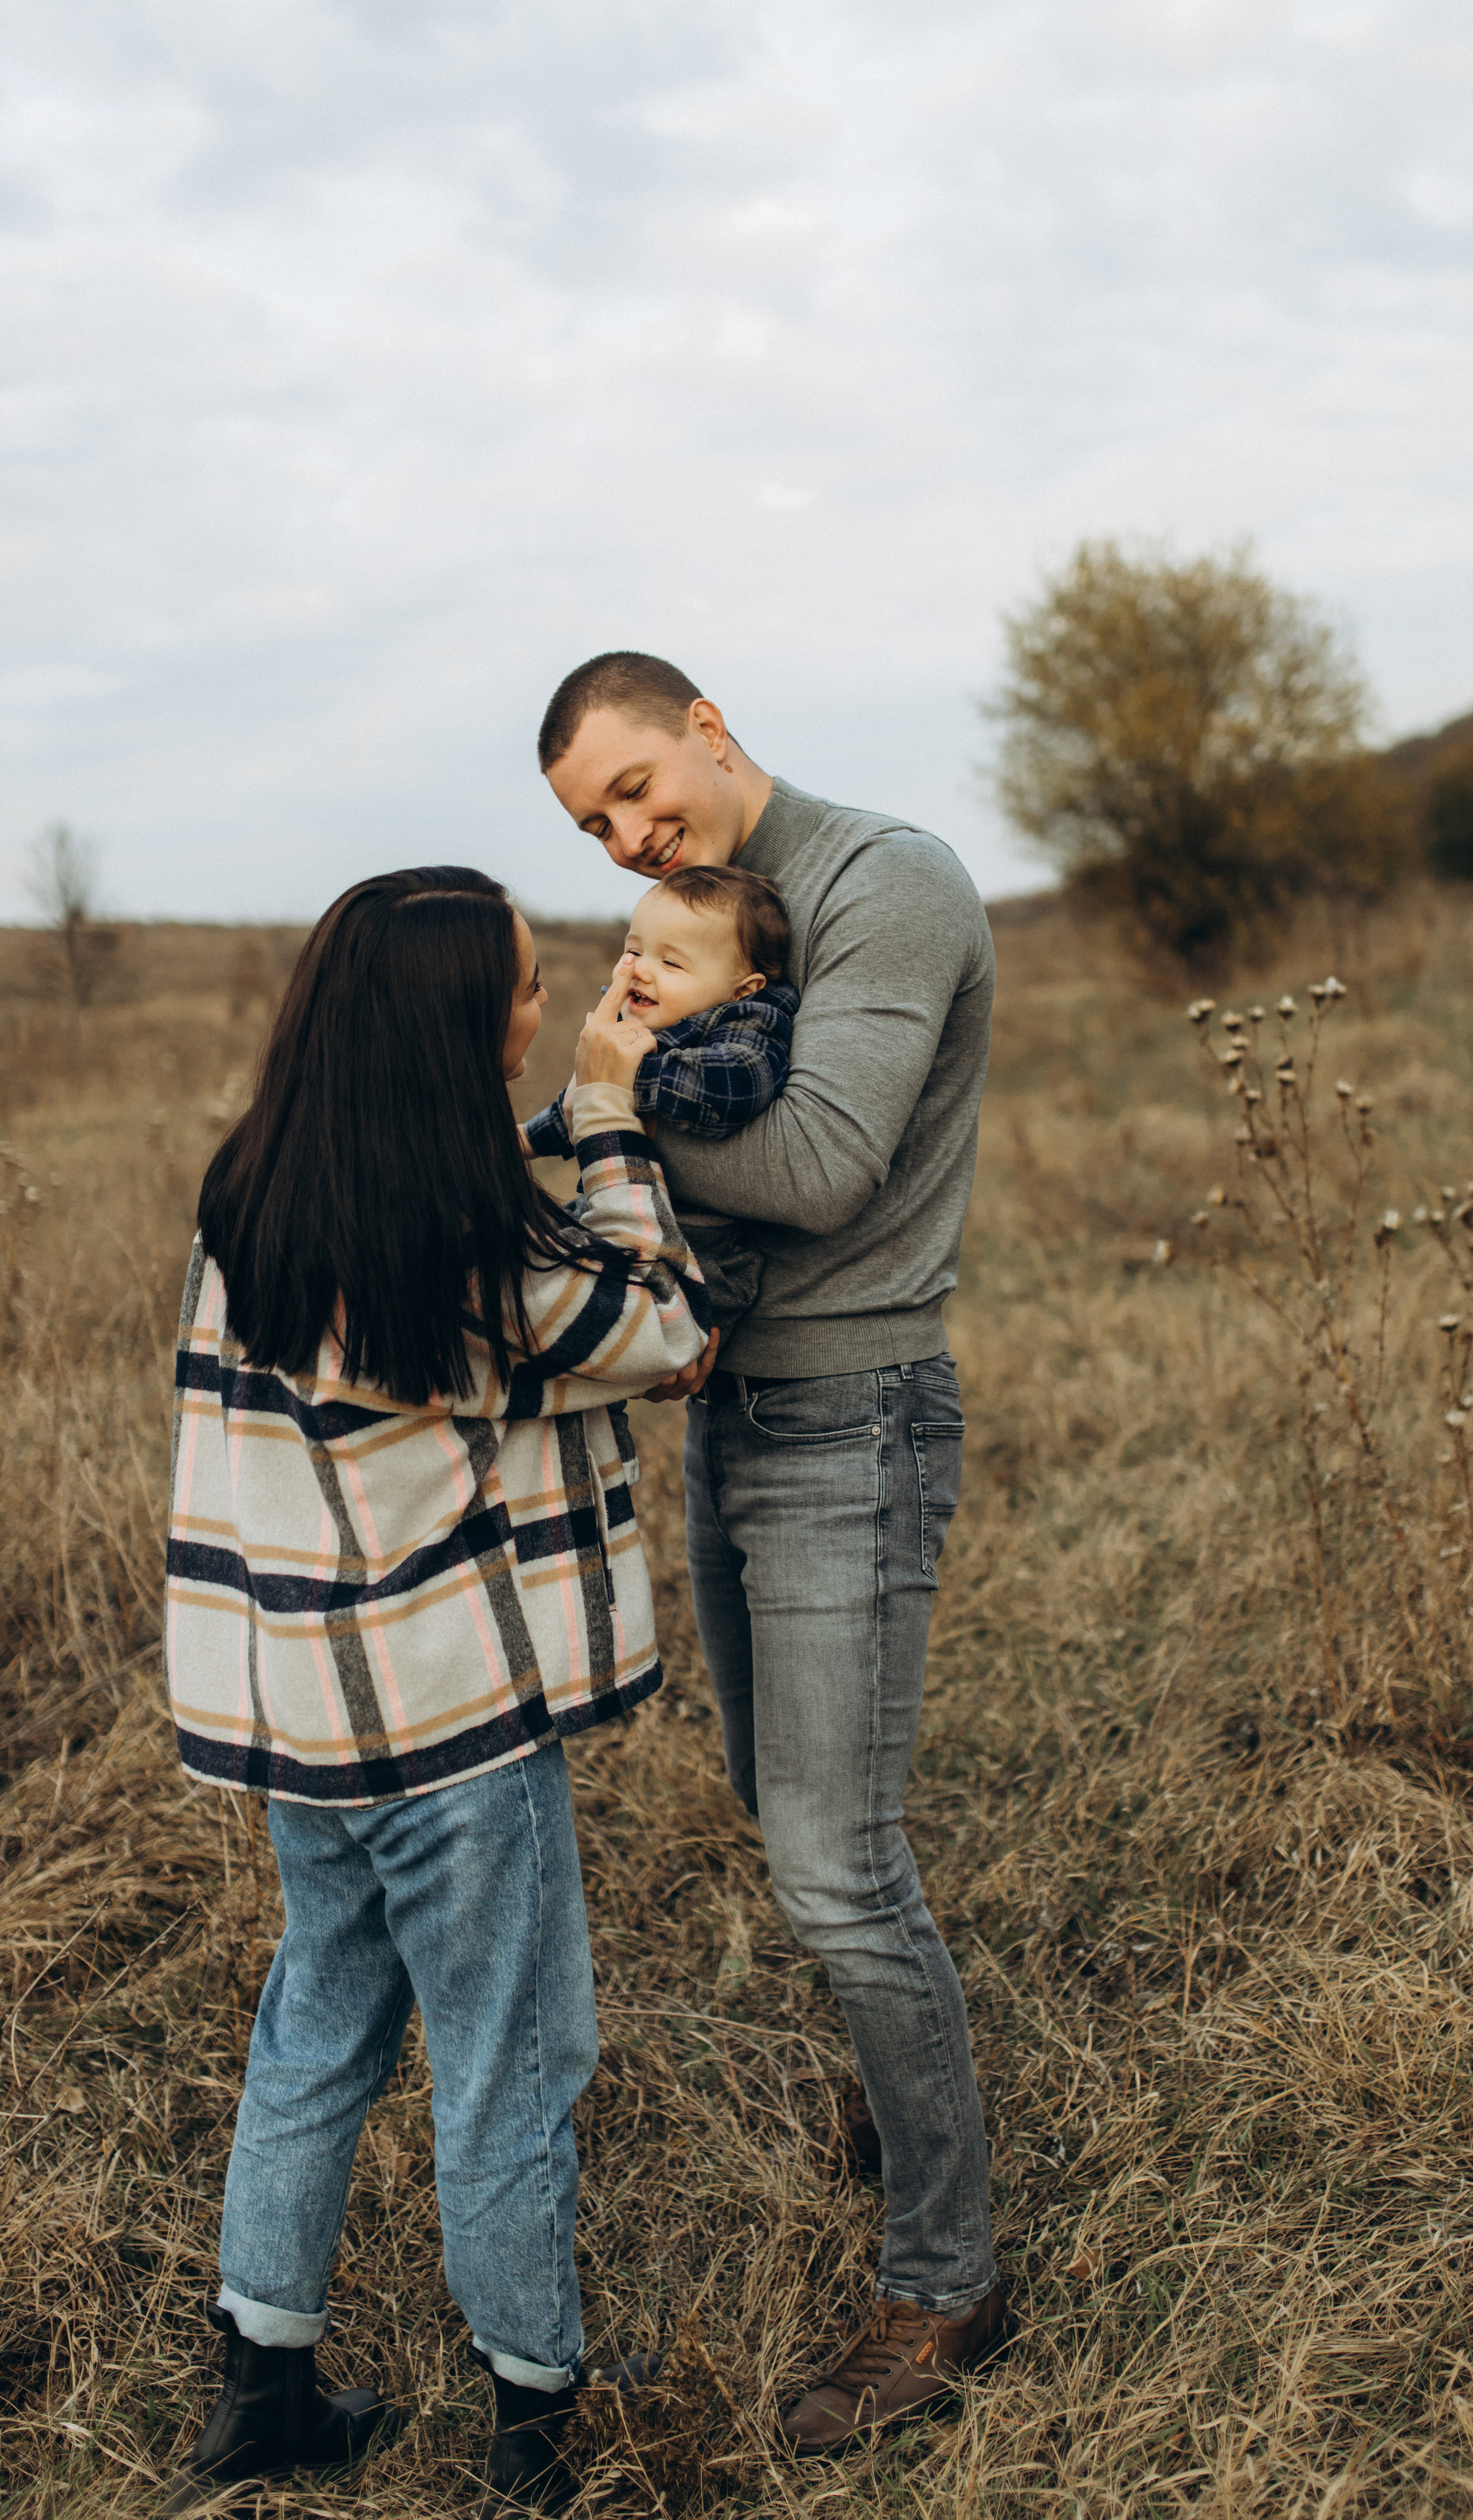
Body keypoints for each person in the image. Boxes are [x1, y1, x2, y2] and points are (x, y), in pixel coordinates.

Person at [162, 866, 706, 2515]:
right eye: (523, 993)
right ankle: (535, 2411)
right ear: (454, 1027)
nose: (543, 1011)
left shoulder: (257, 1189)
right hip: (449, 1728)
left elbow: (489, 1218)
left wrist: (552, 1112)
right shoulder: (452, 1248)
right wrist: (605, 1117)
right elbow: (659, 1325)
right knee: (511, 2051)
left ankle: (263, 2380)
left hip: (305, 1717)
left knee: (318, 2018)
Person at [537, 653, 1008, 2454]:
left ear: (712, 725)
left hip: (854, 1411)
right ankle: (910, 2096)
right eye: (596, 827)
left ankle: (946, 2272)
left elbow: (813, 1167)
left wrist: (603, 1111)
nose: (632, 833)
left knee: (835, 1865)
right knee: (780, 1805)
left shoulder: (888, 882)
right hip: (734, 1410)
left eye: (644, 786)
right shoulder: (695, 929)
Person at [526, 864, 797, 1343]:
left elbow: (736, 1085)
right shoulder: (636, 1023)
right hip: (617, 1212)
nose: (641, 970)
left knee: (615, 1322)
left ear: (743, 986)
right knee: (533, 1250)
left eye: (671, 963)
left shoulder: (748, 1020)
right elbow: (579, 1105)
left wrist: (615, 1080)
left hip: (702, 1252)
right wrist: (525, 1141)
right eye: (633, 950)